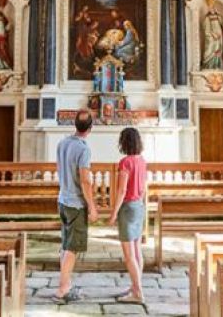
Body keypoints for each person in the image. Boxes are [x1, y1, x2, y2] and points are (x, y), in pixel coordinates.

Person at [54, 110, 99, 303]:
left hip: (63, 199)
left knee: (66, 245)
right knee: (72, 248)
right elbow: (85, 180)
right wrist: (92, 206)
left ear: (75, 125)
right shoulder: (83, 149)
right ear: (90, 128)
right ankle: (62, 290)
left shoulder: (62, 143)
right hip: (75, 204)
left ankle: (67, 284)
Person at [108, 127, 147, 304]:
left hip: (128, 207)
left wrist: (114, 213)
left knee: (129, 254)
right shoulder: (142, 161)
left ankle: (137, 292)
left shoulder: (125, 163)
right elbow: (144, 187)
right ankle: (135, 285)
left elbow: (122, 190)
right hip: (139, 205)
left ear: (124, 142)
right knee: (137, 250)